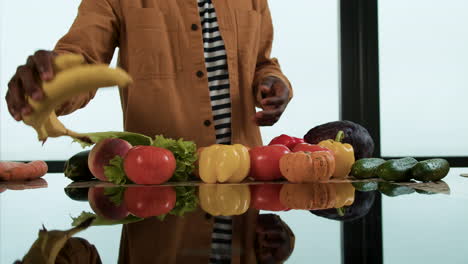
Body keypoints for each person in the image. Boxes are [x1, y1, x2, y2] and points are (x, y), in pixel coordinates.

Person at [5, 0, 293, 263]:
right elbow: (82, 58)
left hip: (243, 188)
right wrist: (50, 84)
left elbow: (262, 62)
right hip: (158, 200)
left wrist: (273, 81)